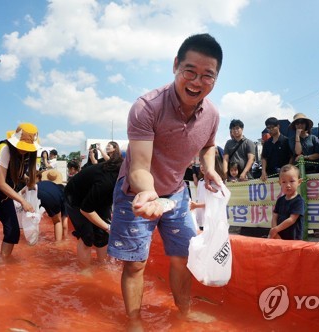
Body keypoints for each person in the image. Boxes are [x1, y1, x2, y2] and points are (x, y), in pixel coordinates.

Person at [107, 33, 223, 327]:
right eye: (190, 72)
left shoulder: (212, 114)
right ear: (175, 66)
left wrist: (208, 167)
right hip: (137, 192)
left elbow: (209, 145)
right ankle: (134, 320)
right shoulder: (147, 107)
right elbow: (139, 167)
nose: (197, 82)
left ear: (216, 78)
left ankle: (183, 313)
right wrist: (148, 194)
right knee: (135, 263)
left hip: (177, 193)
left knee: (184, 257)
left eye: (207, 75)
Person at [0, 123, 40, 281]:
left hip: (4, 195)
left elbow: (16, 174)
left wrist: (28, 182)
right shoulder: (4, 149)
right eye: (23, 146)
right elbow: (0, 183)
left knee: (13, 231)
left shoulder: (28, 154)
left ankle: (4, 261)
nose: (24, 150)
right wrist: (23, 202)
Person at [64, 156, 122, 271]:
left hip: (96, 196)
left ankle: (104, 266)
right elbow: (86, 210)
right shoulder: (107, 181)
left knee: (103, 235)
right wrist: (108, 227)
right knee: (87, 236)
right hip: (75, 198)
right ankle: (84, 270)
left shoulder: (120, 175)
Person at [268, 164, 304, 240]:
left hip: (293, 239)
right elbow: (274, 216)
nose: (288, 185)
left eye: (292, 181)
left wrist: (276, 229)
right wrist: (275, 233)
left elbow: (292, 219)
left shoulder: (298, 201)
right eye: (284, 182)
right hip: (279, 237)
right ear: (280, 183)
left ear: (299, 182)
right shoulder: (280, 200)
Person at [37, 169, 67, 241]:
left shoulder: (42, 183)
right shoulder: (61, 192)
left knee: (31, 217)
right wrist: (66, 239)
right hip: (52, 197)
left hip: (34, 191)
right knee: (57, 221)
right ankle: (58, 244)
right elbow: (65, 225)